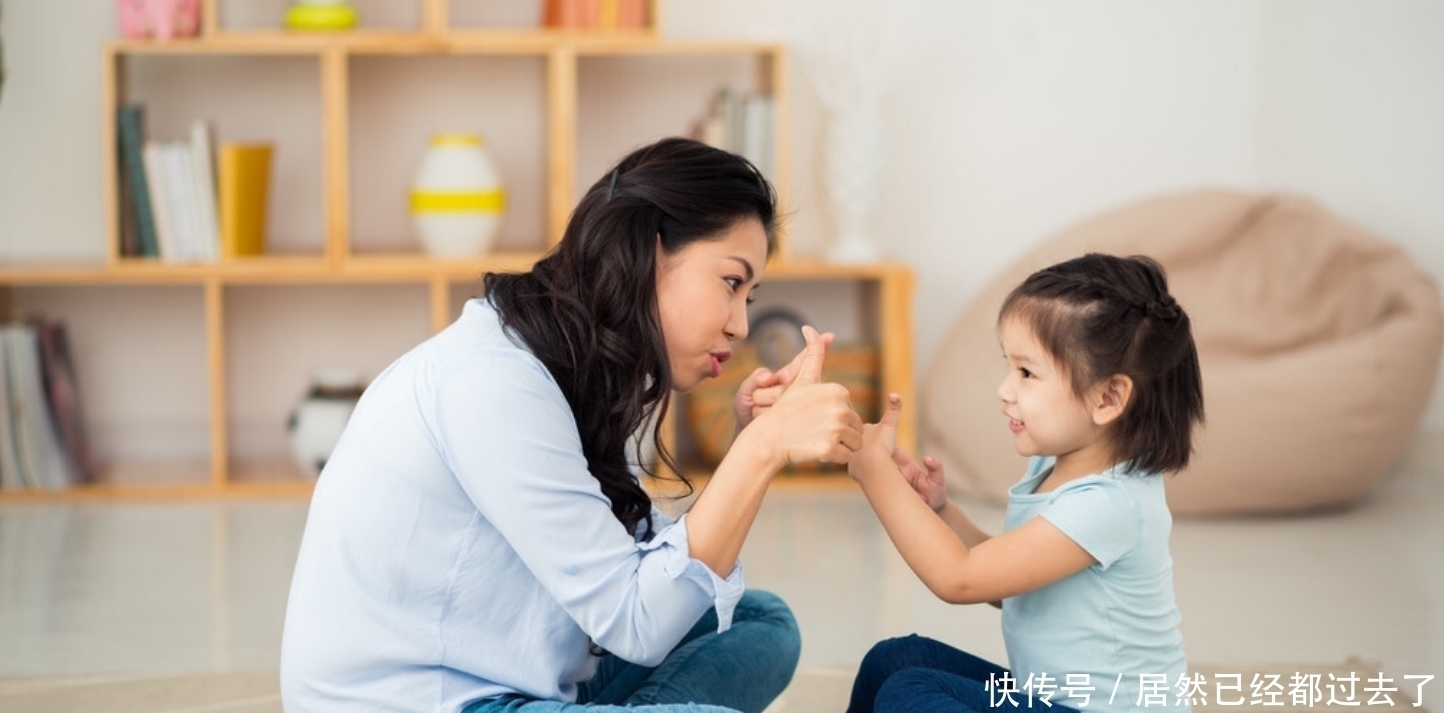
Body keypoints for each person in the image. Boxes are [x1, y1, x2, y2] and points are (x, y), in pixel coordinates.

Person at [279, 137, 866, 713]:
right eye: (732, 283)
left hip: (511, 668)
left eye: (751, 299)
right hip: (424, 698)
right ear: (652, 254)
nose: (740, 326)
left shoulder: (569, 364)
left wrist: (748, 446)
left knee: (761, 623)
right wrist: (760, 450)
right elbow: (637, 622)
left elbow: (641, 577)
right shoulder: (493, 381)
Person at [847, 253, 1205, 713]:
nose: (1005, 389)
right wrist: (942, 513)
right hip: (1048, 702)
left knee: (909, 693)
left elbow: (960, 580)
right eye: (1009, 367)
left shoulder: (1111, 503)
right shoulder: (1053, 471)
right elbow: (1010, 580)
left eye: (1027, 373)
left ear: (1109, 397)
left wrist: (875, 475)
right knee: (894, 662)